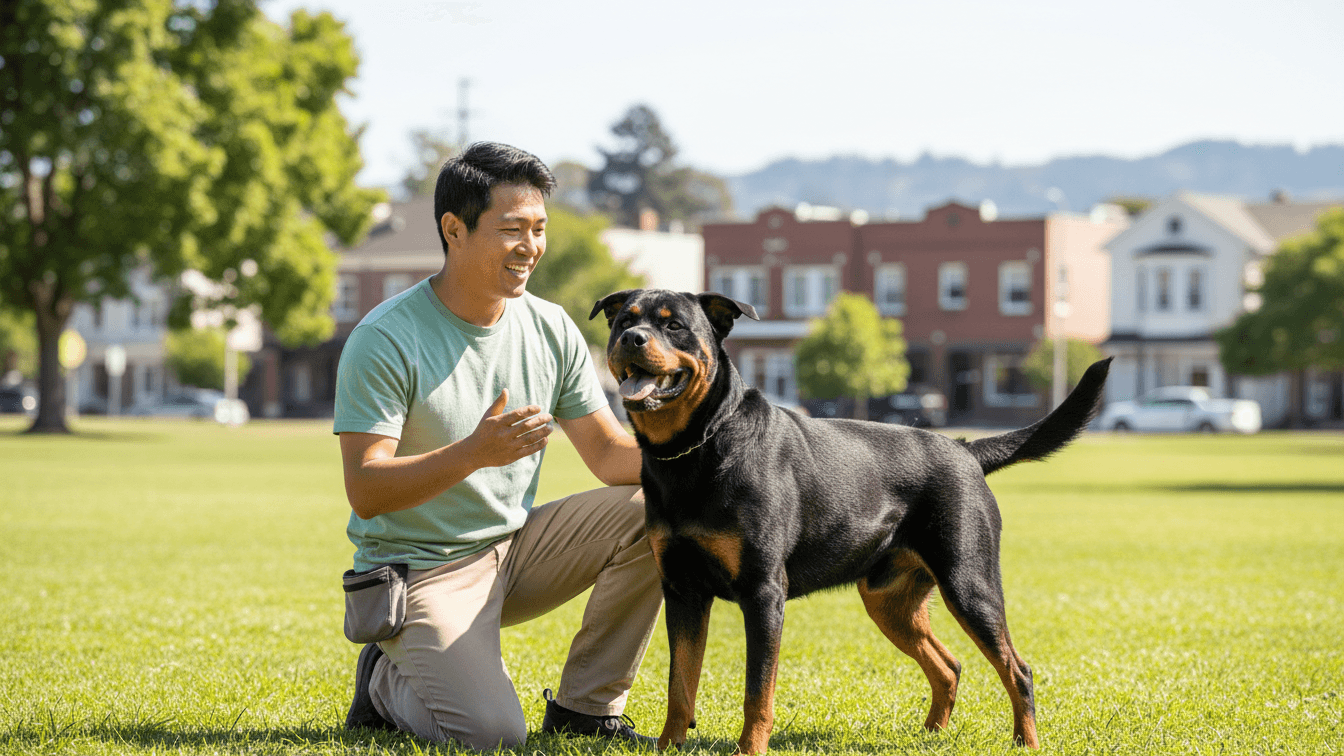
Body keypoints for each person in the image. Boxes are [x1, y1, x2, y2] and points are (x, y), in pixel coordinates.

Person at [333, 142, 662, 749]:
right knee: (494, 737)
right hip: (421, 570)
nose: (530, 246)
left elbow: (610, 456)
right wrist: (473, 453)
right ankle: (383, 679)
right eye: (512, 230)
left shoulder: (551, 326)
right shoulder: (385, 337)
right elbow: (367, 489)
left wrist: (709, 459)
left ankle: (586, 709)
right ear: (454, 230)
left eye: (539, 229)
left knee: (656, 507)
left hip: (514, 552)